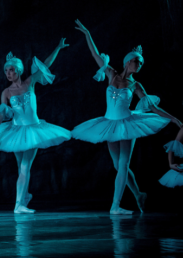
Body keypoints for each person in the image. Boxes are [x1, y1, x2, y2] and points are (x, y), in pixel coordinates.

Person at [72, 20, 181, 214]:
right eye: (137, 61)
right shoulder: (111, 74)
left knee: (123, 164)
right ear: (128, 61)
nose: (139, 65)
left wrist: (173, 118)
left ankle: (115, 206)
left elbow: (153, 107)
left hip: (128, 124)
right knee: (118, 165)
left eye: (141, 63)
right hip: (109, 123)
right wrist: (87, 33)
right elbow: (95, 54)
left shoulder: (136, 85)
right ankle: (138, 195)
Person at [0, 39, 72, 214]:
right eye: (6, 70)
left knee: (25, 167)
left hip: (33, 130)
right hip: (15, 131)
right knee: (21, 167)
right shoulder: (6, 92)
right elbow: (1, 114)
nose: (8, 73)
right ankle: (24, 197)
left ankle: (19, 205)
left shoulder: (30, 82)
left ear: (19, 70)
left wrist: (58, 47)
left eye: (11, 70)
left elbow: (45, 64)